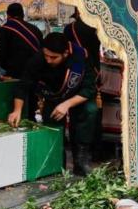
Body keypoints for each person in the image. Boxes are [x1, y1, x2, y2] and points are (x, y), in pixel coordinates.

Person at [8, 33, 98, 176]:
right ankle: (57, 164)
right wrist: (17, 110)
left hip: (77, 96)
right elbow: (23, 85)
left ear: (65, 53)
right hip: (52, 96)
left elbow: (90, 89)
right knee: (52, 126)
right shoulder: (39, 58)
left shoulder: (81, 57)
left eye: (53, 57)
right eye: (46, 56)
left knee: (90, 110)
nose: (48, 60)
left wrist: (66, 104)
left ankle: (81, 161)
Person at [0, 3, 43, 79]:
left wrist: (7, 68)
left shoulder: (5, 29)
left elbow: (1, 53)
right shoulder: (35, 29)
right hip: (34, 72)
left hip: (14, 73)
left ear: (8, 15)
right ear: (23, 15)